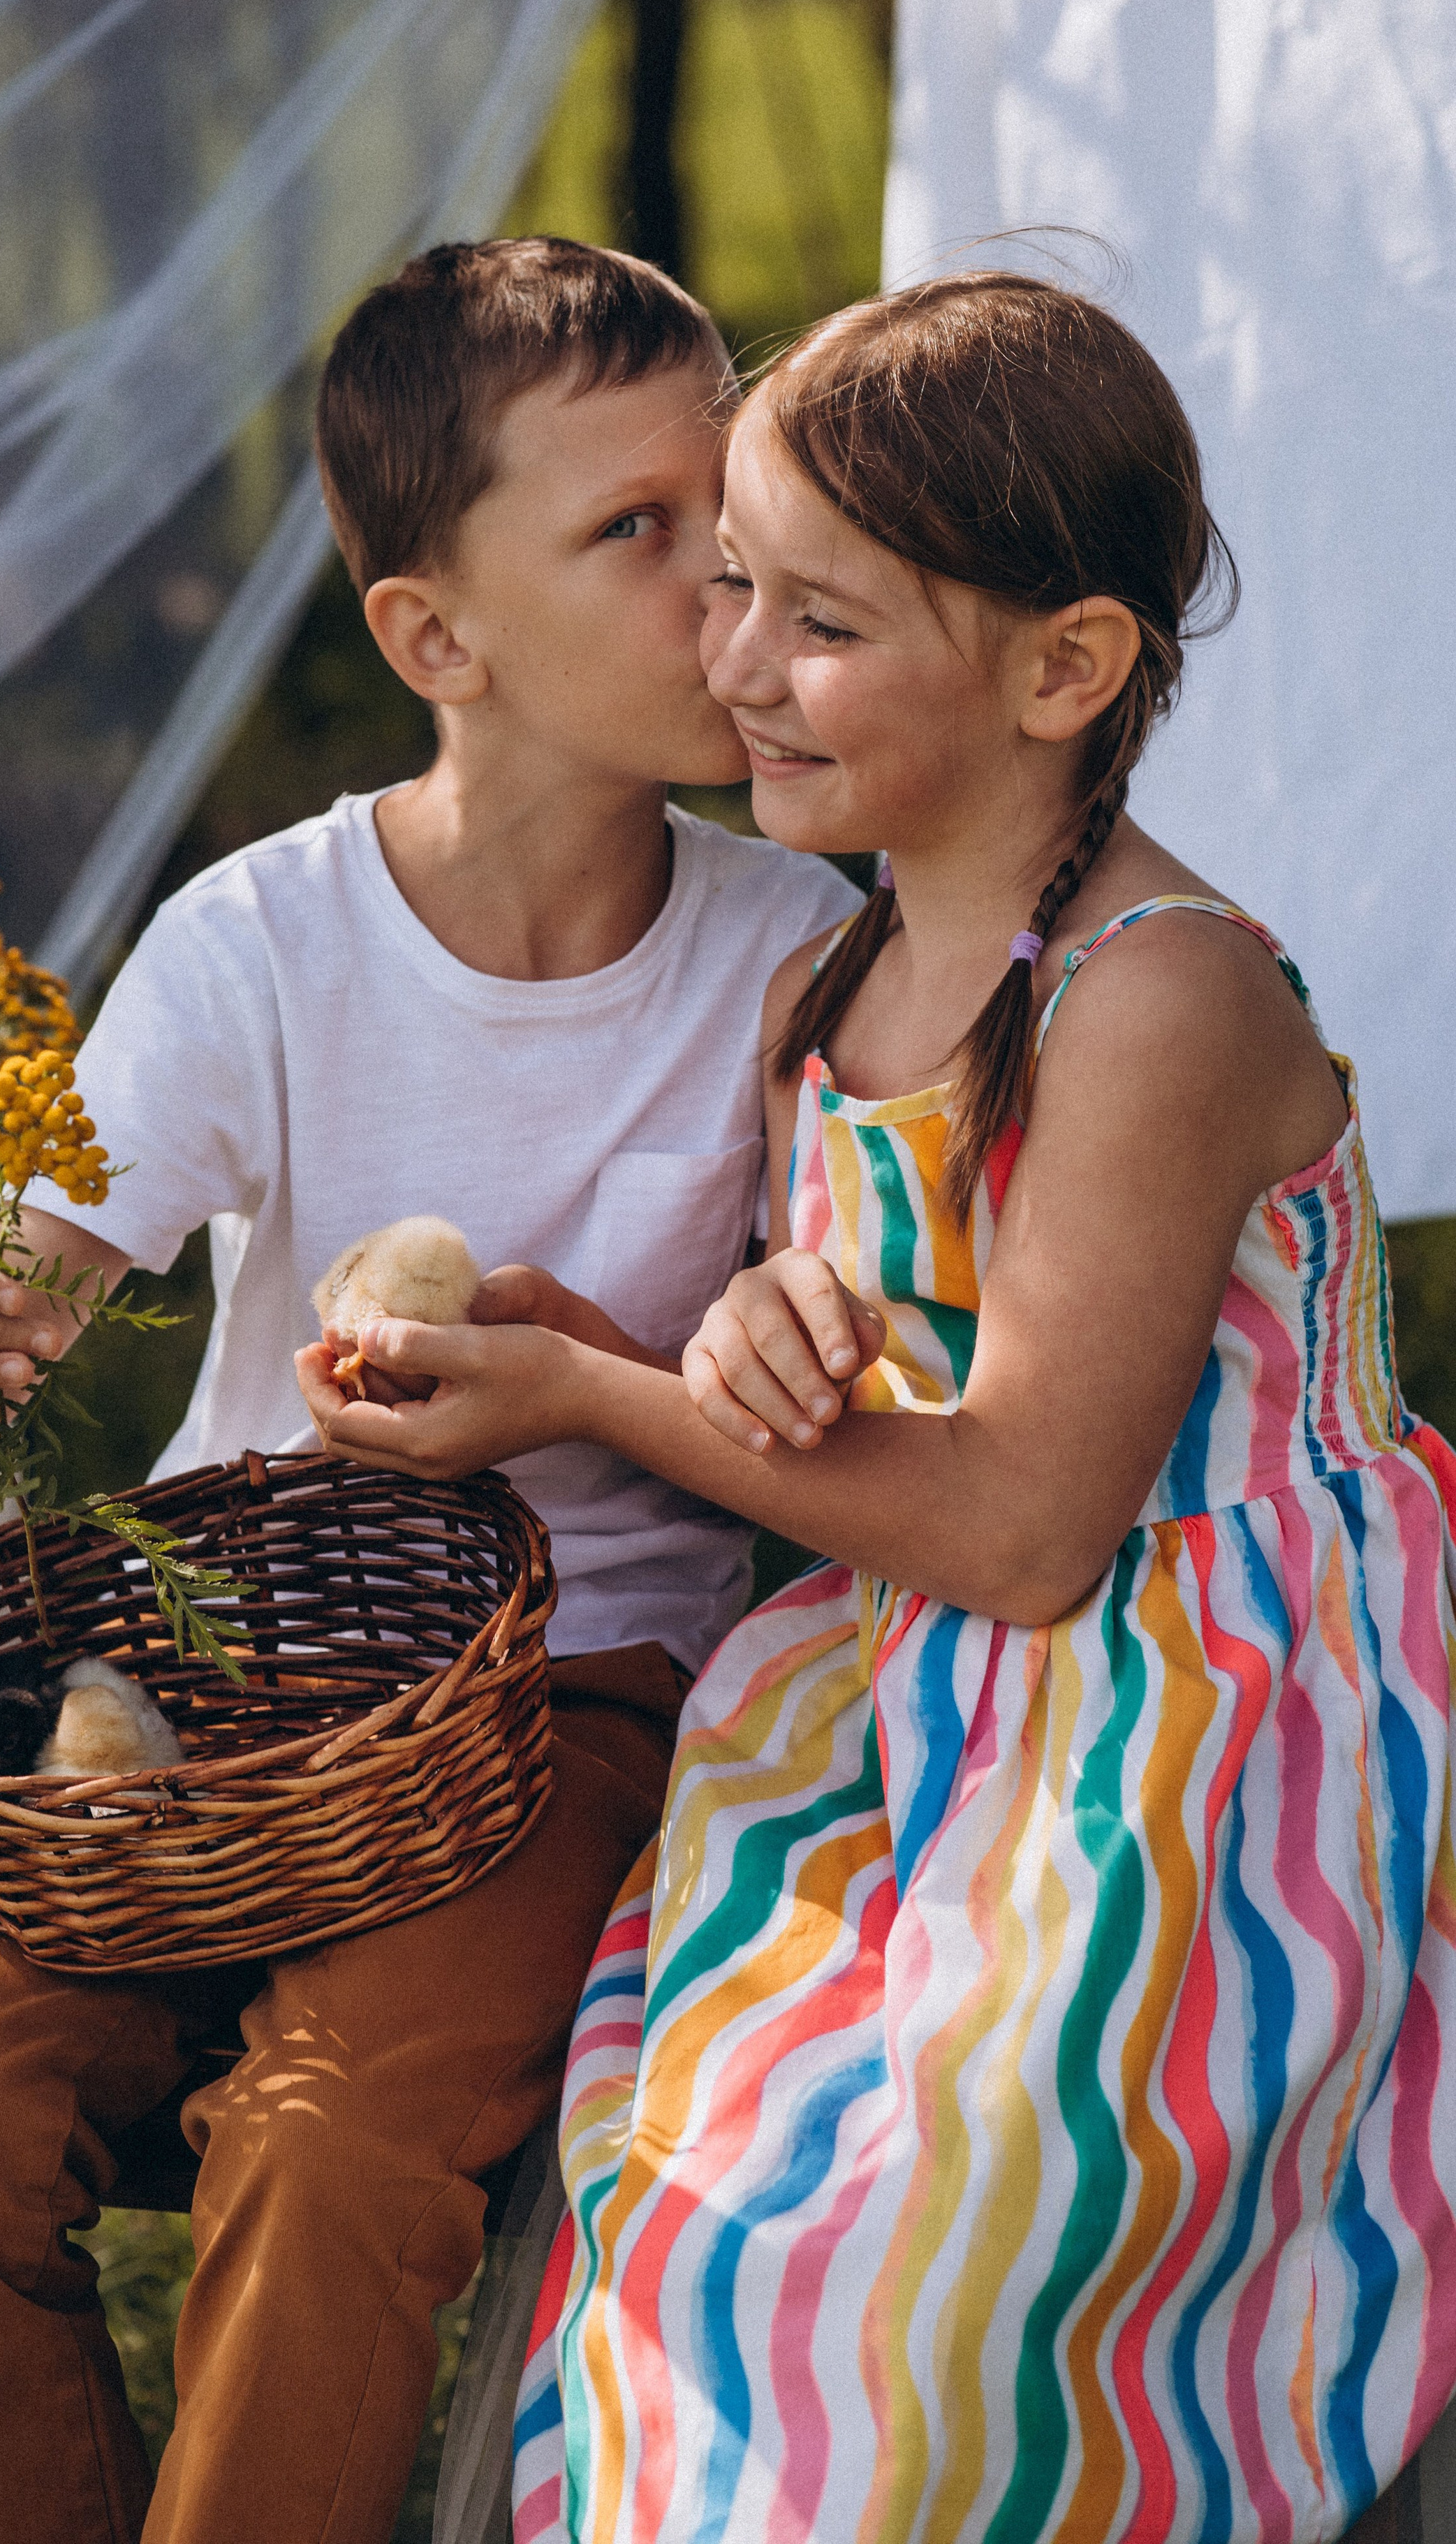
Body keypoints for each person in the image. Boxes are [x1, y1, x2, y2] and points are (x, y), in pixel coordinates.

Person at [298, 272, 1456, 2542]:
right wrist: (649, 1344)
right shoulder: (832, 978)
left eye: (814, 621)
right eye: (725, 584)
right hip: (916, 1711)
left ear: (1064, 665)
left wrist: (600, 1403)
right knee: (705, 2184)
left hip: (1200, 1728)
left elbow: (1029, 1522)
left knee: (933, 2245)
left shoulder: (1163, 1004)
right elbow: (845, 1377)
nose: (731, 664)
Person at [0, 237, 858, 2544]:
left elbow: (820, 1406)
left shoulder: (801, 962)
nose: (728, 585)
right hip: (202, 1682)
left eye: (737, 514)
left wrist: (640, 1372)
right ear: (434, 638)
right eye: (638, 531)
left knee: (338, 2140)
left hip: (564, 1701)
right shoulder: (261, 944)